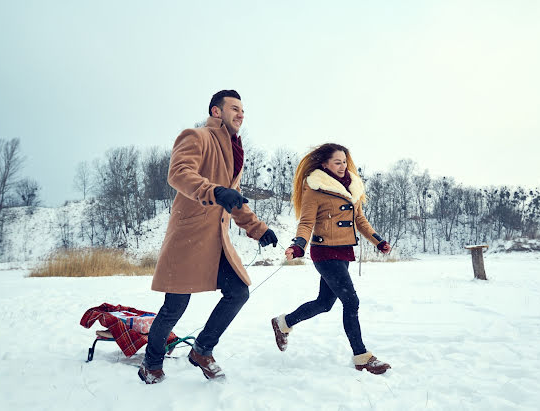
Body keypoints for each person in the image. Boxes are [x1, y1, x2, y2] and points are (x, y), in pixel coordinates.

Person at [138, 90, 278, 384]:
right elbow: (178, 173)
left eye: (243, 110)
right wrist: (214, 191)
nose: (241, 114)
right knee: (174, 307)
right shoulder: (196, 136)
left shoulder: (235, 151)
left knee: (238, 292)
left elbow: (233, 200)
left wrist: (258, 229)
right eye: (235, 108)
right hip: (188, 237)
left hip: (217, 241)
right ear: (216, 111)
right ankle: (151, 363)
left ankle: (202, 350)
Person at [271, 143, 392, 375]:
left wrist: (379, 241)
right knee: (351, 302)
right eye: (337, 162)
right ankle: (362, 356)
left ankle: (283, 323)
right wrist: (297, 246)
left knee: (324, 304)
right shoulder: (314, 189)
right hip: (325, 252)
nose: (342, 166)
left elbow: (361, 221)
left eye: (344, 161)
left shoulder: (352, 188)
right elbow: (306, 223)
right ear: (324, 164)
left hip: (344, 251)